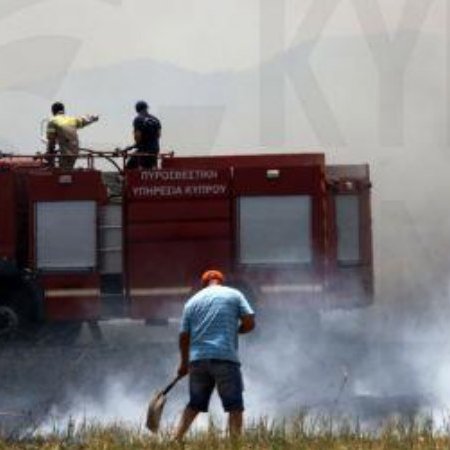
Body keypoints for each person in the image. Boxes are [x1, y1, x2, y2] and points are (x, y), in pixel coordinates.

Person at [174, 270, 255, 440]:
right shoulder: (234, 294)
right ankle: (234, 444)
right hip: (224, 357)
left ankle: (175, 439)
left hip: (197, 361)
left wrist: (183, 364)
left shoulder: (192, 302)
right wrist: (237, 330)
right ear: (221, 281)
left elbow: (183, 336)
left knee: (194, 404)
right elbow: (249, 322)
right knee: (234, 406)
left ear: (204, 284)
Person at [46, 102, 99, 170]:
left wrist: (49, 154)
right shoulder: (72, 119)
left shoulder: (52, 121)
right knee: (69, 169)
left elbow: (51, 140)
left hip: (65, 152)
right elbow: (84, 120)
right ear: (63, 110)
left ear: (53, 111)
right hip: (75, 150)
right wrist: (94, 118)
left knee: (63, 172)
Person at [126, 100, 161, 169]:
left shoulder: (138, 119)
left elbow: (138, 136)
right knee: (150, 169)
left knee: (129, 166)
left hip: (143, 151)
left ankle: (123, 178)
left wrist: (136, 144)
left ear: (137, 109)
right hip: (155, 150)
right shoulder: (156, 119)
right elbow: (159, 135)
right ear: (147, 108)